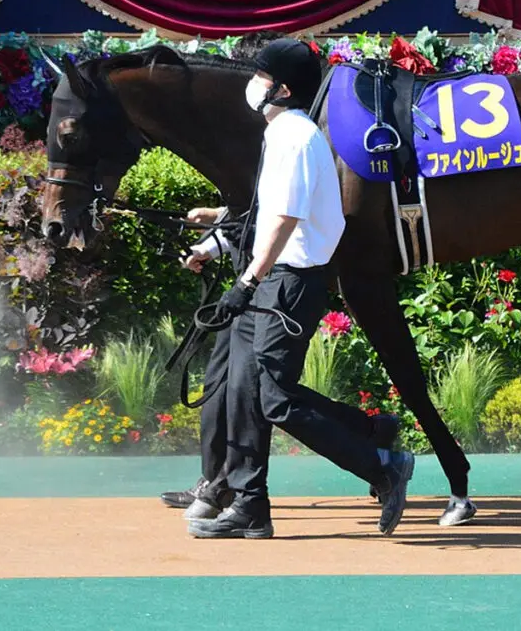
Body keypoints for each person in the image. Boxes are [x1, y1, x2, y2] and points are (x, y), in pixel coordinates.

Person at [185, 38, 415, 539]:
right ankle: (250, 503)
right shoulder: (281, 133)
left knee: (275, 399)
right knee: (244, 392)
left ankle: (381, 463)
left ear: (283, 89)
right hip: (274, 279)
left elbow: (285, 219)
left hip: (288, 284)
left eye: (261, 76)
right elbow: (269, 211)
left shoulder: (294, 137)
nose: (253, 84)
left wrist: (247, 282)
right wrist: (218, 235)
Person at [162, 205, 400, 521]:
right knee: (228, 384)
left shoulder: (293, 168)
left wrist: (244, 280)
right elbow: (251, 211)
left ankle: (230, 487)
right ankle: (222, 482)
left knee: (268, 395)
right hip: (258, 277)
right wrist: (212, 241)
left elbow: (281, 213)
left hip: (273, 279)